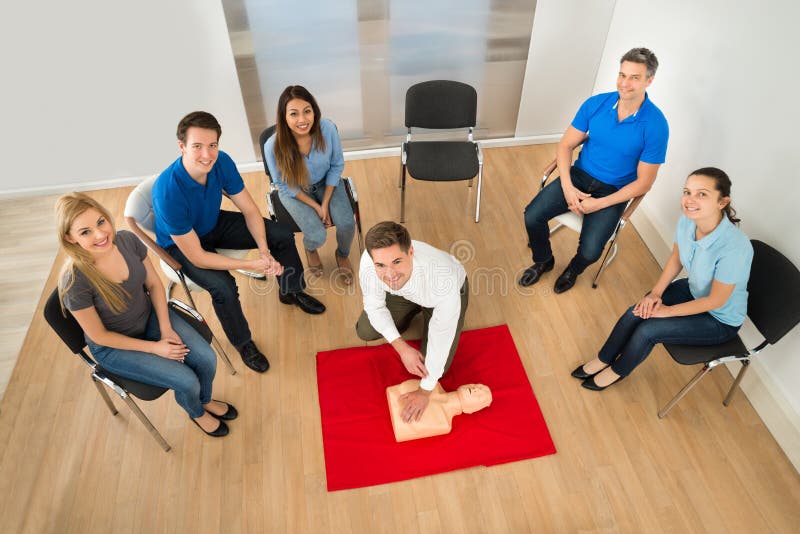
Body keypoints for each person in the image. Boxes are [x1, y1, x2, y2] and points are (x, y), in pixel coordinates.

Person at [152, 111, 325, 374]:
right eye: (197, 146)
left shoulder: (221, 162)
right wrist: (253, 265)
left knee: (280, 234)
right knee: (223, 287)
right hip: (182, 245)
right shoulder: (168, 192)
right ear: (182, 147)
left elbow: (251, 210)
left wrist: (264, 252)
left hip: (211, 223)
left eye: (212, 145)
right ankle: (243, 343)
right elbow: (198, 257)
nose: (207, 155)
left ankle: (290, 290)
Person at [56, 193, 236, 437]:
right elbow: (100, 336)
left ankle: (203, 400)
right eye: (85, 232)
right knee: (186, 380)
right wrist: (155, 348)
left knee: (206, 359)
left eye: (100, 222)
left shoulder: (127, 241)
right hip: (114, 346)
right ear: (70, 238)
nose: (100, 235)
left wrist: (165, 328)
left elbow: (154, 286)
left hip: (148, 317)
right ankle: (196, 412)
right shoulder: (75, 281)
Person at [572, 167, 752, 390]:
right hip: (693, 291)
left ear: (722, 202)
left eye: (702, 194)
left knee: (648, 330)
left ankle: (617, 372)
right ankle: (603, 359)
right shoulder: (688, 221)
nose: (690, 200)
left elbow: (715, 301)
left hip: (719, 319)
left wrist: (665, 311)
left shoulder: (735, 248)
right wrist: (655, 294)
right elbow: (676, 258)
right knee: (636, 311)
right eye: (687, 192)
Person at [520, 47, 669, 293]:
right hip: (579, 176)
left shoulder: (656, 126)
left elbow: (644, 184)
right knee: (531, 216)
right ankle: (544, 260)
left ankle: (573, 270)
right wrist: (568, 188)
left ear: (649, 80)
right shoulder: (596, 104)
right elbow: (566, 145)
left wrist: (598, 205)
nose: (625, 83)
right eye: (622, 75)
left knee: (590, 251)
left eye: (634, 77)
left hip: (613, 191)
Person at [356, 221, 469, 421]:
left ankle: (422, 312)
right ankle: (410, 312)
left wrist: (425, 392)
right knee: (366, 330)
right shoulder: (369, 261)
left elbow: (440, 338)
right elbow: (374, 307)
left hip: (440, 297)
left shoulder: (443, 281)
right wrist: (402, 348)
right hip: (404, 293)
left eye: (397, 262)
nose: (389, 274)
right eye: (381, 265)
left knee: (435, 370)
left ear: (410, 252)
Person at [264, 85, 356, 284]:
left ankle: (342, 254)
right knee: (317, 234)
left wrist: (325, 203)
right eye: (294, 114)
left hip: (326, 182)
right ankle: (310, 247)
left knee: (347, 224)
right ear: (284, 117)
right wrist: (316, 207)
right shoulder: (272, 146)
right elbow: (284, 185)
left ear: (314, 111)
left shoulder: (328, 128)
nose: (302, 120)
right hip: (295, 191)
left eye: (307, 111)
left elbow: (336, 165)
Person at [387, 380, 492, 441]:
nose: (476, 390)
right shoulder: (433, 384)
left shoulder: (444, 424)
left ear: (470, 410)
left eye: (480, 396)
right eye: (478, 386)